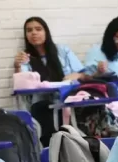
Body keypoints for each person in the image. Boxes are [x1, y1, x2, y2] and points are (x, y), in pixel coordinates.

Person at [16, 17, 85, 145]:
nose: (34, 33)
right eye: (29, 30)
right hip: (42, 103)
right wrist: (18, 66)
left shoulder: (62, 51)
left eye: (38, 29)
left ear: (46, 32)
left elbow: (83, 74)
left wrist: (77, 75)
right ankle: (50, 149)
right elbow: (23, 84)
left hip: (68, 99)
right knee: (44, 111)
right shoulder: (25, 57)